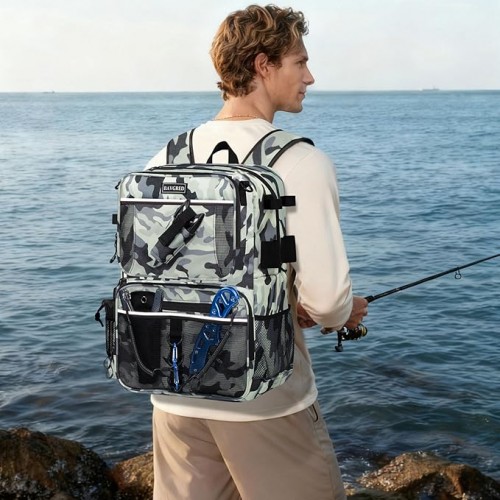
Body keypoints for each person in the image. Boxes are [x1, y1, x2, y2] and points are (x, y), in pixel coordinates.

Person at [146, 5, 368, 499]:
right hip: (264, 398)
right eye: (300, 62)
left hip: (174, 391)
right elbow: (328, 301)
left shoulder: (169, 155)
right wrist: (340, 312)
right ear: (263, 65)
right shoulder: (300, 161)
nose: (310, 76)